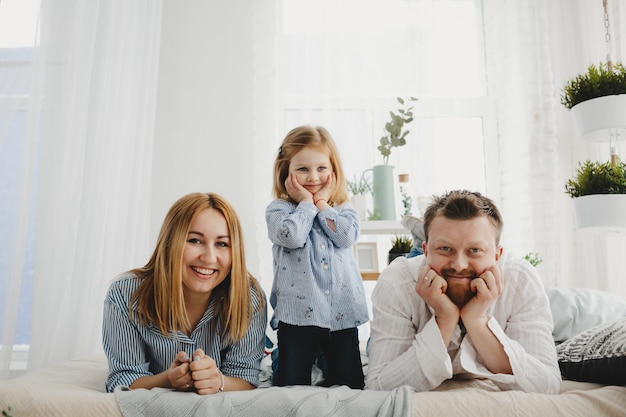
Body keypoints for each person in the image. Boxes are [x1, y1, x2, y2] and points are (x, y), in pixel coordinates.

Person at [365, 190, 561, 394]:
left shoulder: (520, 279)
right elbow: (379, 388)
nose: (459, 265)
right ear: (426, 250)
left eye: (474, 250)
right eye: (445, 248)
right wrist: (444, 319)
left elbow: (547, 384)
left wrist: (476, 320)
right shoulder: (396, 282)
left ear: (497, 255)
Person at [103, 192, 267, 394]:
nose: (208, 258)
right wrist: (167, 380)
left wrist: (219, 382)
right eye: (195, 240)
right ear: (170, 242)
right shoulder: (125, 295)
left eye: (222, 244)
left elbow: (246, 377)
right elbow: (123, 378)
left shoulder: (250, 298)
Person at [266, 125, 369, 389]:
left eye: (321, 168)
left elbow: (345, 237)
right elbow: (291, 236)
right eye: (302, 169)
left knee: (351, 384)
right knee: (291, 385)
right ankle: (281, 358)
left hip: (341, 315)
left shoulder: (343, 210)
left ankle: (325, 364)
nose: (313, 177)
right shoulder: (279, 210)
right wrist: (306, 205)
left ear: (334, 171)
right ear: (286, 172)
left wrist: (322, 204)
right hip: (297, 316)